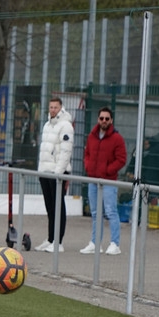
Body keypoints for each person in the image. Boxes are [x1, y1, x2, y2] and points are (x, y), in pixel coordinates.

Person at [81, 107, 126, 255]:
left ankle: (115, 243)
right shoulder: (92, 136)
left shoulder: (117, 138)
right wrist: (88, 167)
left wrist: (107, 170)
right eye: (102, 118)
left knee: (111, 211)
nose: (104, 121)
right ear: (98, 119)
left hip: (108, 181)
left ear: (111, 120)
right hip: (93, 179)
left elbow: (121, 159)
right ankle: (95, 243)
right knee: (95, 213)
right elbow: (87, 154)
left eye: (107, 118)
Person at [33, 98, 73, 252]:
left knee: (58, 207)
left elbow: (65, 151)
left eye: (56, 107)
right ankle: (50, 238)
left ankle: (58, 241)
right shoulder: (47, 125)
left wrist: (58, 172)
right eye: (51, 107)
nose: (53, 110)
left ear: (61, 108)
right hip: (45, 170)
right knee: (50, 207)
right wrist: (41, 169)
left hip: (57, 173)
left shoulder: (66, 126)